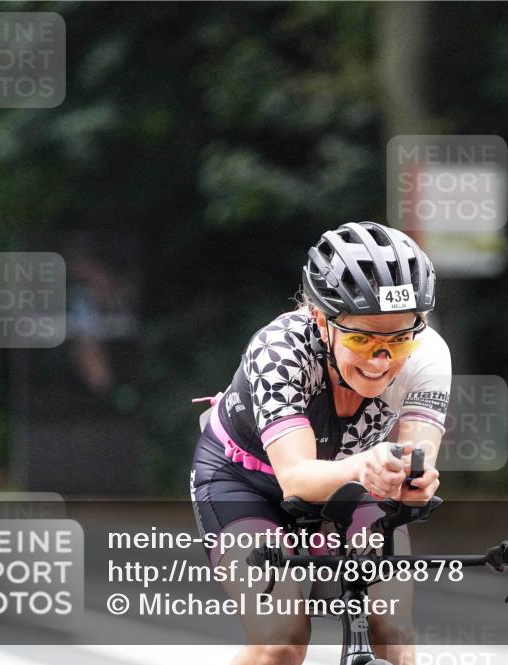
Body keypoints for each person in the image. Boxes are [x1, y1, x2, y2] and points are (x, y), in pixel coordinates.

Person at [190, 221, 451, 665]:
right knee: (281, 640)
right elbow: (296, 479)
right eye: (361, 338)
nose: (380, 360)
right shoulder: (280, 351)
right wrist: (365, 466)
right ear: (319, 319)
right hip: (245, 482)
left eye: (398, 340)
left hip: (357, 481)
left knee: (393, 631)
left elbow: (416, 462)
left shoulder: (427, 354)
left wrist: (414, 483)